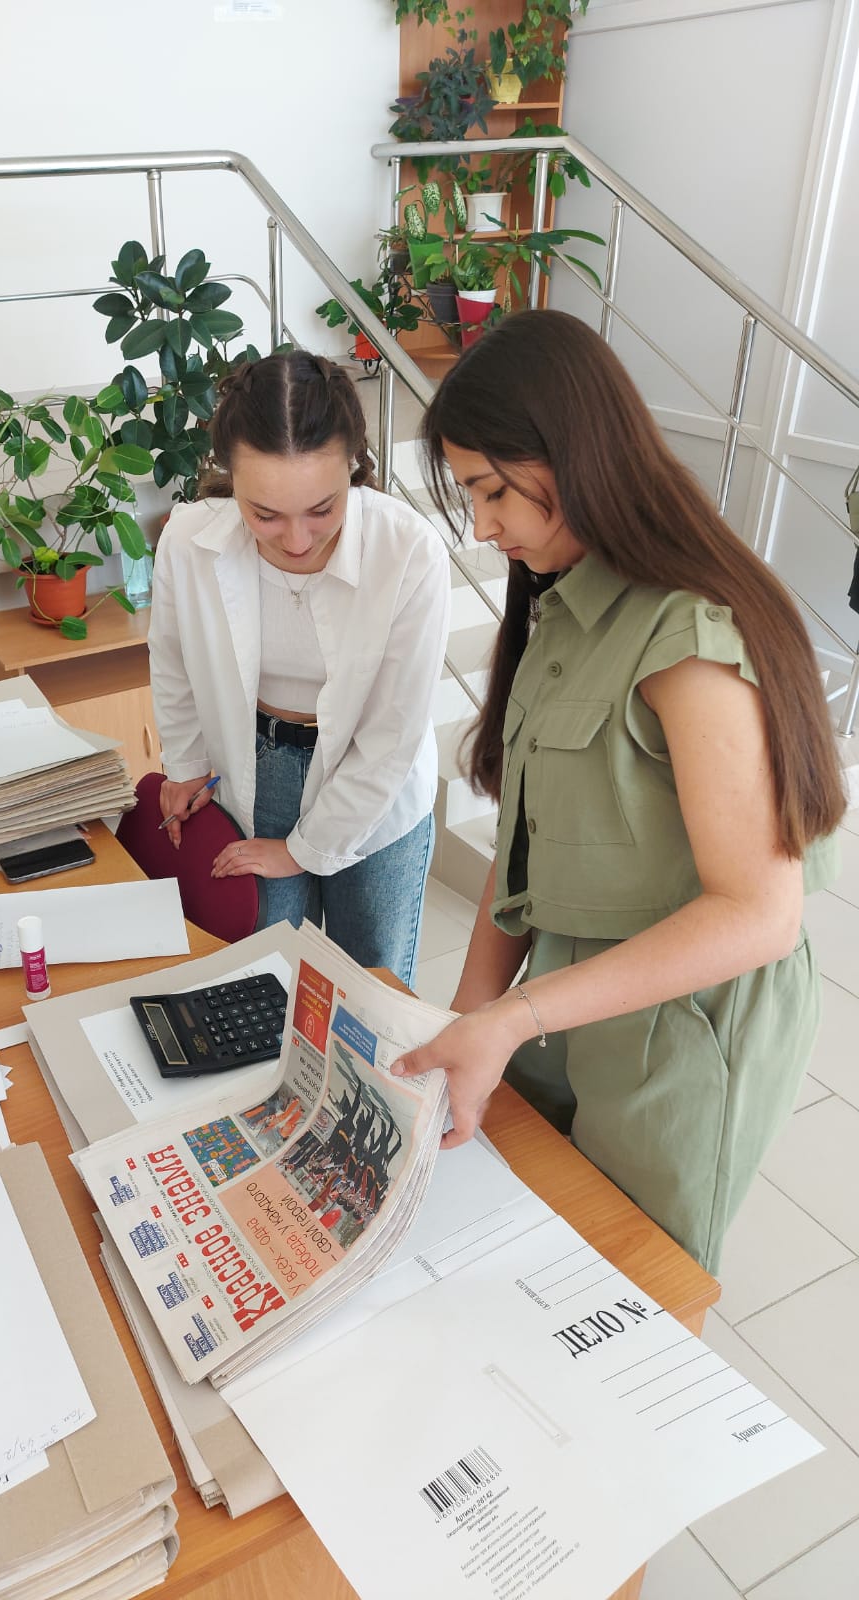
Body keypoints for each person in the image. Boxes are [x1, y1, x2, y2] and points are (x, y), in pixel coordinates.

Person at [392, 309, 845, 1274]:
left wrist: (513, 1017)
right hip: (567, 991)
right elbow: (522, 848)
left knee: (631, 1282)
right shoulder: (563, 598)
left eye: (490, 491)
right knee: (526, 1246)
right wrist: (465, 1024)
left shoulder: (687, 637)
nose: (481, 526)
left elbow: (759, 914)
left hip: (676, 1027)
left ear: (571, 453)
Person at [148, 350, 450, 987]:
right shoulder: (188, 539)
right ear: (230, 477)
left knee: (367, 993)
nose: (295, 540)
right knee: (261, 984)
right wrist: (183, 762)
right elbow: (172, 657)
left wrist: (304, 850)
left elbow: (391, 735)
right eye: (264, 514)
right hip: (253, 766)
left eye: (322, 508)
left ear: (355, 467)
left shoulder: (408, 552)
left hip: (375, 784)